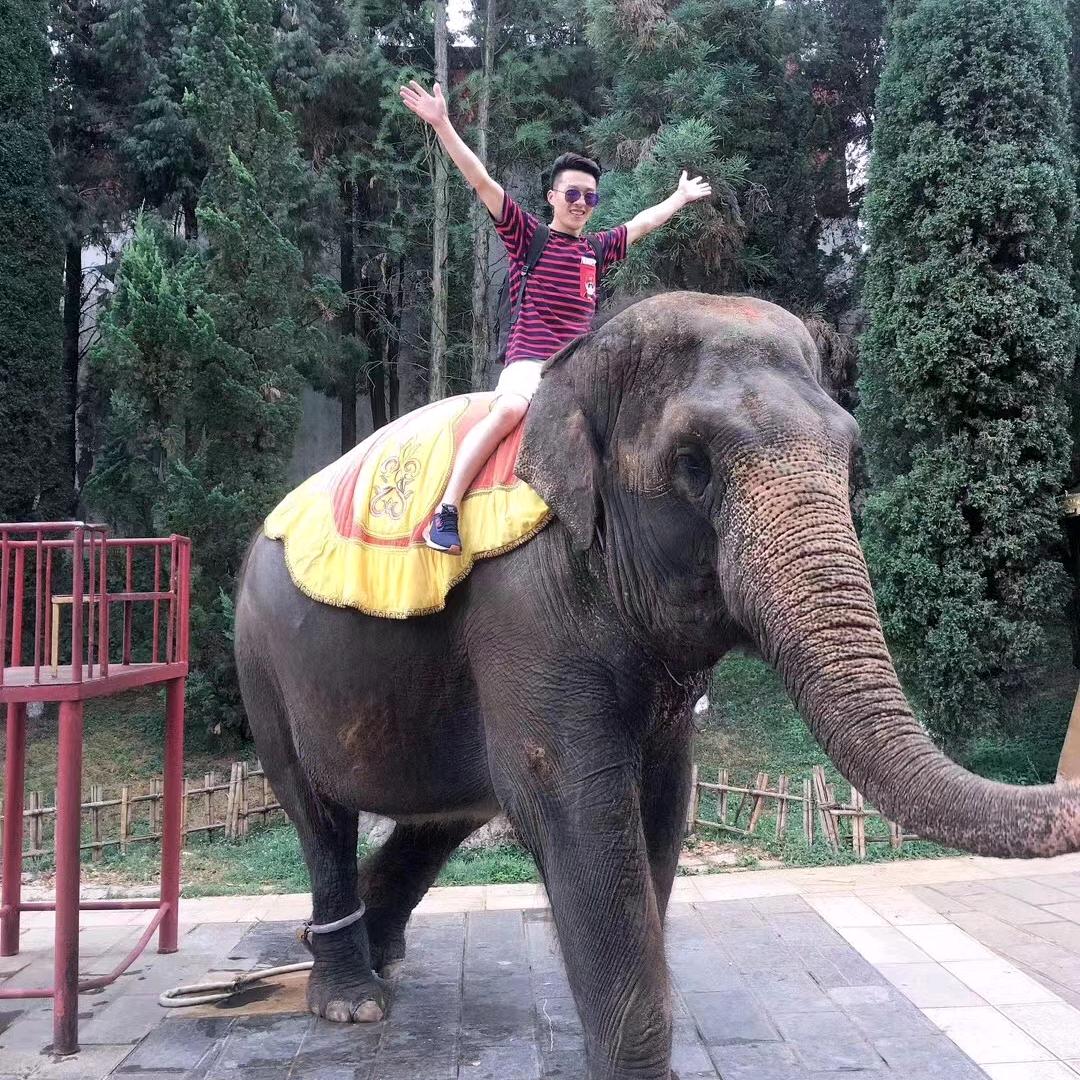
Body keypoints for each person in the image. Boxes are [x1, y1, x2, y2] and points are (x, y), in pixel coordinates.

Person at [399, 79, 712, 554]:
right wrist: (442, 124)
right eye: (572, 194)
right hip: (530, 365)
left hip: (577, 371)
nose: (581, 203)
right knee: (510, 410)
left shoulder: (596, 250)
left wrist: (679, 197)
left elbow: (642, 223)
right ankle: (446, 511)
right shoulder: (529, 237)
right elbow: (482, 181)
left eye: (591, 197)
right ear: (552, 196)